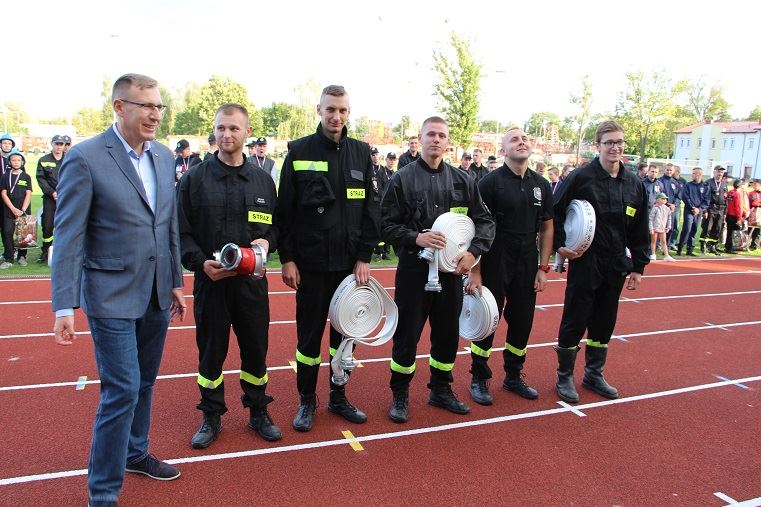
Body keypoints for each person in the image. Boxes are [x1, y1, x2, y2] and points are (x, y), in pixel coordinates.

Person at [51, 73, 187, 507]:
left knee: (144, 382)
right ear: (119, 107)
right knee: (122, 389)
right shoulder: (86, 157)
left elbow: (167, 224)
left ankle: (135, 452)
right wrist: (64, 305)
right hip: (109, 294)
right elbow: (68, 235)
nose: (155, 114)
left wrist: (175, 281)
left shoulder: (163, 156)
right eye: (146, 105)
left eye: (159, 106)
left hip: (156, 291)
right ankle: (103, 493)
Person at [275, 85, 380, 432]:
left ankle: (338, 396)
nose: (336, 116)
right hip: (311, 265)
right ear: (319, 110)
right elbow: (285, 211)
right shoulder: (299, 151)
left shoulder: (361, 153)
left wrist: (364, 255)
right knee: (308, 341)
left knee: (345, 338)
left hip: (349, 268)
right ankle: (307, 400)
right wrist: (288, 258)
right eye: (330, 109)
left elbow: (371, 209)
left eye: (342, 110)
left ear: (349, 113)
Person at [178, 103, 281, 448]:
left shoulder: (263, 181)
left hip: (252, 285)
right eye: (221, 128)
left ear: (247, 132)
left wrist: (268, 242)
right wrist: (199, 263)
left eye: (234, 128)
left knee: (255, 350)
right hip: (212, 284)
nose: (227, 134)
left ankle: (258, 411)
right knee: (211, 353)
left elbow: (277, 227)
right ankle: (211, 415)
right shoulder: (194, 179)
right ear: (214, 130)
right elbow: (180, 232)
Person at [381, 116, 495, 423]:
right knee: (407, 336)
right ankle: (400, 393)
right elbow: (385, 224)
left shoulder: (463, 180)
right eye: (430, 134)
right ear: (420, 138)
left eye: (441, 135)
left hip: (451, 274)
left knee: (447, 335)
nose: (436, 139)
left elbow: (485, 221)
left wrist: (474, 253)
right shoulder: (402, 179)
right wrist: (415, 237)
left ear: (448, 142)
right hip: (414, 272)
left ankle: (441, 389)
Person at [552, 120, 649, 404]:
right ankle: (564, 376)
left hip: (616, 262)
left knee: (605, 319)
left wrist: (638, 266)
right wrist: (560, 245)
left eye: (619, 142)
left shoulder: (634, 183)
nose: (615, 147)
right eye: (609, 143)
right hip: (586, 260)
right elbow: (555, 212)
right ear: (598, 146)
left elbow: (640, 227)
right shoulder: (581, 177)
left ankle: (594, 374)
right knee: (576, 316)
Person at [466, 127, 553, 405]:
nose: (522, 142)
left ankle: (513, 375)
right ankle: (479, 377)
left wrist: (543, 267)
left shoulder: (542, 184)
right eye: (514, 139)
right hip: (496, 256)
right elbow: (475, 227)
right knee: (488, 319)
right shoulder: (489, 183)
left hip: (527, 258)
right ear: (503, 150)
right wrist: (475, 271)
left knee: (522, 320)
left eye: (525, 138)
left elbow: (547, 227)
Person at [36, 135, 66, 263]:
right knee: (47, 225)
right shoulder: (44, 160)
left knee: (65, 225)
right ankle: (45, 252)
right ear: (52, 144)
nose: (59, 146)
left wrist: (65, 192)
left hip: (66, 198)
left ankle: (63, 253)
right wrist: (52, 192)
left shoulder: (70, 159)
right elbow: (41, 179)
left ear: (64, 146)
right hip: (50, 199)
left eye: (61, 144)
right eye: (56, 144)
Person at [0, 150, 32, 268]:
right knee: (7, 232)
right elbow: (3, 194)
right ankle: (9, 258)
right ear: (9, 162)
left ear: (22, 162)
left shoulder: (26, 176)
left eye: (19, 160)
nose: (16, 162)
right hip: (9, 210)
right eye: (13, 160)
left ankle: (22, 256)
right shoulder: (5, 176)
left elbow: (28, 194)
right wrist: (13, 209)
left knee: (23, 234)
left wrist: (22, 210)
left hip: (23, 210)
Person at [676, 167, 709, 256]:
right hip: (689, 210)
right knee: (687, 229)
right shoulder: (688, 185)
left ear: (700, 175)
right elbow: (685, 197)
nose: (692, 175)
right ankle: (680, 248)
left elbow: (706, 200)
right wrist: (693, 207)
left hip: (699, 212)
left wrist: (700, 209)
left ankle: (690, 249)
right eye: (692, 173)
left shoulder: (705, 186)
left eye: (694, 173)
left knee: (694, 229)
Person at [699, 165, 727, 255]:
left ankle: (712, 246)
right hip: (711, 208)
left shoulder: (724, 184)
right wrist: (705, 210)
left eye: (721, 172)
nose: (720, 174)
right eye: (718, 172)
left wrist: (725, 212)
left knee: (717, 228)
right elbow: (704, 198)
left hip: (721, 209)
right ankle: (703, 245)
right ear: (714, 172)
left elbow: (726, 198)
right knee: (707, 228)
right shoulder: (708, 183)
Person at [658, 163, 679, 249]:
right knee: (660, 226)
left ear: (673, 171)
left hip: (672, 208)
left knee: (670, 227)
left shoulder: (675, 182)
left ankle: (667, 244)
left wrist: (674, 204)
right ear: (664, 170)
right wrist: (666, 204)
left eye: (671, 170)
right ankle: (658, 244)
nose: (669, 171)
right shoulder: (659, 181)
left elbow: (678, 196)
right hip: (662, 207)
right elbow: (659, 194)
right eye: (667, 170)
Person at [649, 193, 675, 261]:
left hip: (663, 228)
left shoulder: (667, 209)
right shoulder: (655, 208)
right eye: (663, 199)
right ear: (658, 200)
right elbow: (650, 219)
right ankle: (653, 254)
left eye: (665, 199)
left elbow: (669, 218)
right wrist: (651, 228)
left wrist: (668, 226)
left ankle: (666, 255)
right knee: (653, 241)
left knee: (664, 242)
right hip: (655, 228)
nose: (665, 200)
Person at [724, 179, 747, 254]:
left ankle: (727, 247)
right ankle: (732, 248)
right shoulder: (737, 194)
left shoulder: (730, 192)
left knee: (729, 232)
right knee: (735, 233)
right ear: (740, 186)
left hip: (728, 215)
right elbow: (738, 207)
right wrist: (739, 218)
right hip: (734, 216)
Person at [748, 179, 761, 250]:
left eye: (756, 184)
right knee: (750, 228)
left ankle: (755, 244)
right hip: (752, 213)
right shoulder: (751, 194)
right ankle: (747, 243)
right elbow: (751, 203)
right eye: (753, 184)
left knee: (758, 229)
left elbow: (756, 202)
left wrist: (757, 203)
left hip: (759, 213)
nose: (754, 186)